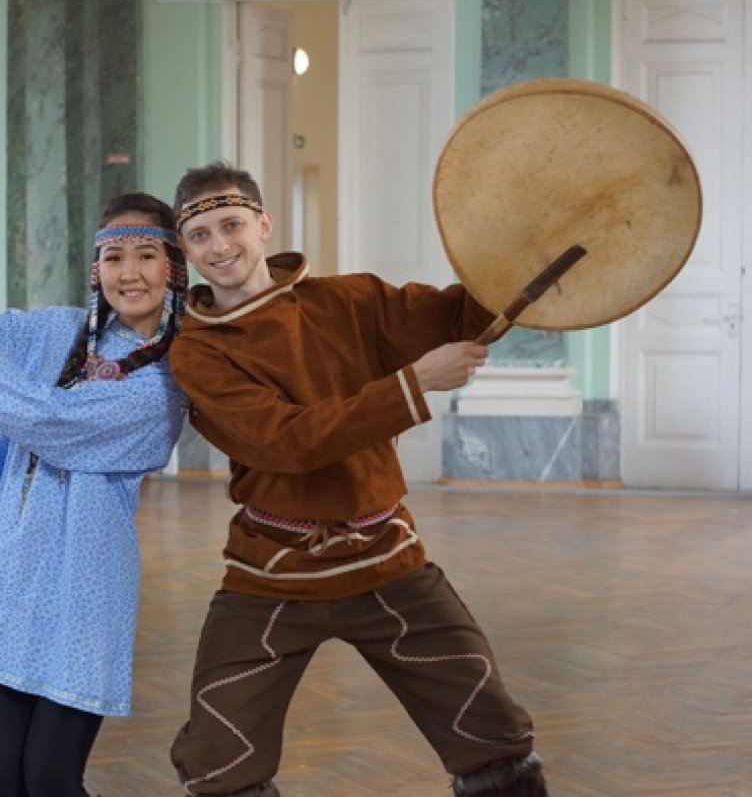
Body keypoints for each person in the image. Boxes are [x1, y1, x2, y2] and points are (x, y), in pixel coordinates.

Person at [166, 162, 546, 797]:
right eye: (199, 236)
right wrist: (415, 383)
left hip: (387, 559)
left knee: (492, 735)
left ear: (263, 223)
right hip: (273, 571)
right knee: (216, 759)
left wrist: (522, 251)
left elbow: (459, 315)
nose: (219, 245)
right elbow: (290, 441)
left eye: (231, 224)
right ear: (186, 249)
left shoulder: (351, 300)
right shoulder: (197, 352)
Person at [0, 192, 189, 796]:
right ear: (95, 269)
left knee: (51, 778)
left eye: (147, 256)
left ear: (174, 269)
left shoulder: (165, 384)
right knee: (4, 781)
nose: (129, 274)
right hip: (12, 580)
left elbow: (50, 423)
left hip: (85, 590)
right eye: (113, 258)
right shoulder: (56, 332)